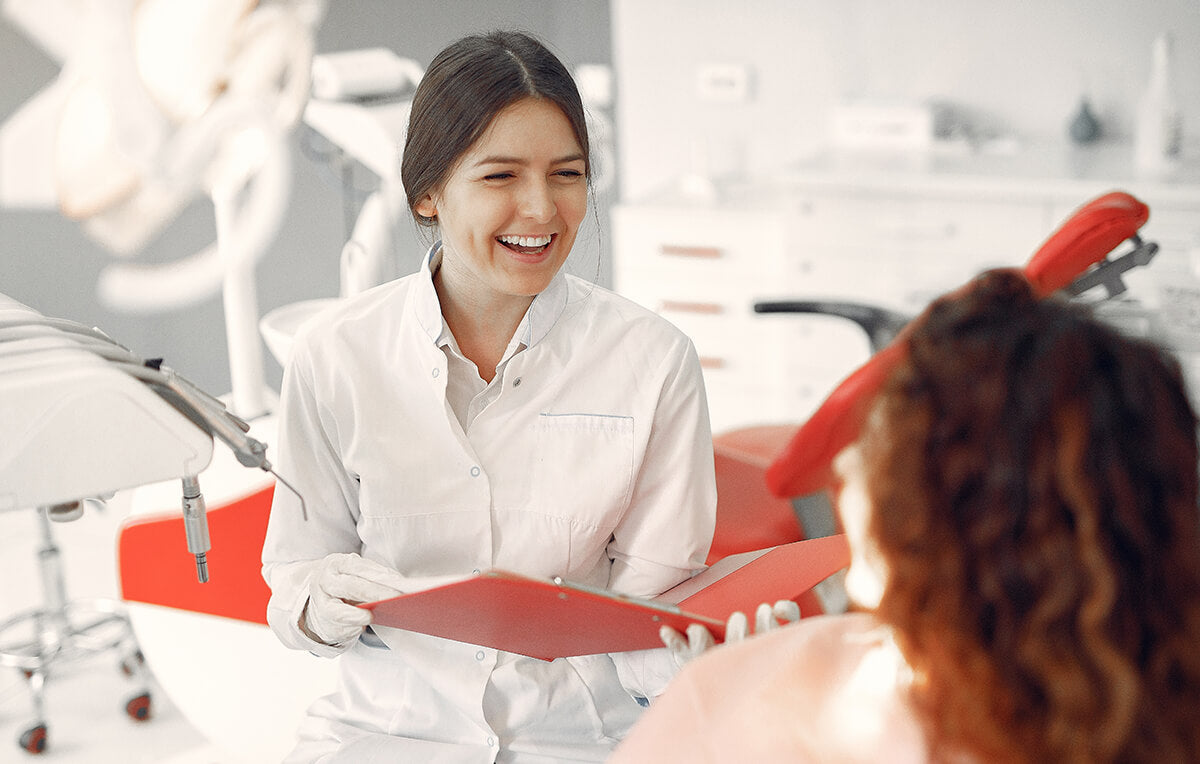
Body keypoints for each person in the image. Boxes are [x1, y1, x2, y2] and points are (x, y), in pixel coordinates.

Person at [260, 31, 720, 761]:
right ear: (429, 192)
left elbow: (647, 621)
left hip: (577, 740)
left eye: (566, 174)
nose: (540, 210)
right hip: (384, 735)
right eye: (501, 177)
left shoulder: (654, 361)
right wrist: (321, 605)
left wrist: (706, 658)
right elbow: (294, 582)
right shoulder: (334, 356)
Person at [611, 268, 1200, 763]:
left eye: (878, 444)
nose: (844, 461)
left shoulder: (772, 692)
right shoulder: (1162, 699)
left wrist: (721, 702)